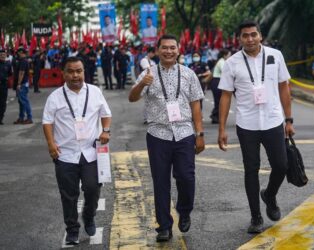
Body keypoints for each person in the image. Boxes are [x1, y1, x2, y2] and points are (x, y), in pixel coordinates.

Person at [217, 20, 294, 234]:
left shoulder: (275, 56)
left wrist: (289, 120)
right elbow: (225, 96)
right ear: (239, 39)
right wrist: (222, 129)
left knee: (281, 165)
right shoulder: (232, 63)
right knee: (251, 169)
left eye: (253, 34)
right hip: (247, 123)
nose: (249, 39)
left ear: (260, 35)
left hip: (273, 120)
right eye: (245, 35)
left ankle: (269, 194)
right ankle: (256, 216)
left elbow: (283, 87)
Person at [128, 34, 205, 242]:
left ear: (178, 50)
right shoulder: (148, 73)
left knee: (187, 178)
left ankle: (184, 210)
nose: (168, 51)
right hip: (158, 134)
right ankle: (163, 225)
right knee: (160, 181)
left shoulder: (189, 74)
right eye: (164, 48)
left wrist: (200, 134)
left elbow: (196, 105)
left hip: (184, 133)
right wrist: (142, 84)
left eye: (172, 48)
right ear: (158, 50)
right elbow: (132, 97)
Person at [42, 56, 112, 245]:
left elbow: (106, 114)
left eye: (79, 71)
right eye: (71, 71)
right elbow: (47, 122)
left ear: (84, 72)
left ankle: (88, 217)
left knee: (92, 189)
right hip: (65, 154)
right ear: (64, 73)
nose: (75, 75)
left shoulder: (95, 92)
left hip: (90, 152)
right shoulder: (55, 97)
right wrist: (50, 144)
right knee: (68, 195)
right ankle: (72, 229)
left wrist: (105, 131)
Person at [210, 49, 231, 124]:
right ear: (224, 55)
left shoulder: (223, 61)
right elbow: (224, 71)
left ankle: (215, 116)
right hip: (217, 81)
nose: (230, 56)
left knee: (218, 100)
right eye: (229, 55)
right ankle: (215, 117)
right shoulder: (222, 61)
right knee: (218, 101)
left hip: (218, 81)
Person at [13, 48, 33, 125]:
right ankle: (21, 118)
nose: (18, 54)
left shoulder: (23, 61)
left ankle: (29, 118)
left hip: (22, 84)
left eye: (19, 53)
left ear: (22, 53)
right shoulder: (23, 61)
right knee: (21, 102)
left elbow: (21, 73)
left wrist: (19, 83)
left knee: (24, 101)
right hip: (23, 83)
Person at [0, 48, 12, 125]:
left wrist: (6, 78)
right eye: (1, 55)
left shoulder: (8, 64)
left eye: (3, 55)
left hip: (4, 86)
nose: (2, 56)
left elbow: (10, 74)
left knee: (3, 103)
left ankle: (0, 118)